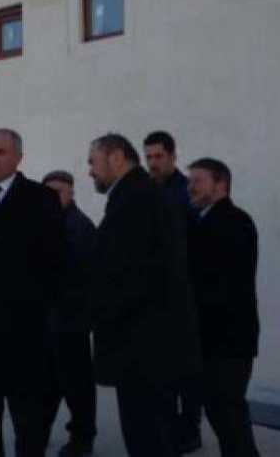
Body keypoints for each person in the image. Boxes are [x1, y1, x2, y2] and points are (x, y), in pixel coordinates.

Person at [86, 133, 200, 457]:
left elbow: (131, 276)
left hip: (142, 349)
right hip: (150, 347)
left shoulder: (136, 200)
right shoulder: (140, 195)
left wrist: (95, 309)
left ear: (117, 158)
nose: (90, 171)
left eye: (93, 162)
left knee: (147, 437)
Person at [0, 129, 65, 457]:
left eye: (0, 152)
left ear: (19, 157)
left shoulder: (41, 199)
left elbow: (54, 265)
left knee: (28, 425)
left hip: (26, 336)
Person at [186, 158, 261, 457]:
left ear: (220, 184)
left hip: (228, 338)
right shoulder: (205, 220)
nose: (190, 186)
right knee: (223, 415)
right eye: (190, 180)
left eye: (198, 181)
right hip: (215, 337)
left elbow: (220, 282)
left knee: (228, 415)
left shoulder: (233, 221)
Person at [143, 131, 202, 453]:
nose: (153, 163)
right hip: (158, 298)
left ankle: (190, 428)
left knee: (188, 371)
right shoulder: (148, 191)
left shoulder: (185, 191)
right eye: (148, 157)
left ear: (172, 157)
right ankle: (168, 426)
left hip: (184, 295)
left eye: (158, 157)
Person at [42, 171, 97, 457]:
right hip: (48, 322)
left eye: (59, 192)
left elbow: (81, 278)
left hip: (71, 322)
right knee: (47, 383)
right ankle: (40, 432)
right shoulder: (43, 225)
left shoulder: (79, 227)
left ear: (71, 193)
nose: (53, 198)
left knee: (77, 387)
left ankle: (82, 439)